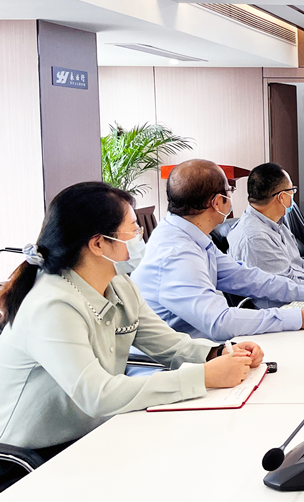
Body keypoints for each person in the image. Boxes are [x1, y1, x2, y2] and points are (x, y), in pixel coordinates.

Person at [0, 182, 259, 471]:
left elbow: (169, 345)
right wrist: (204, 376)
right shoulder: (52, 306)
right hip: (31, 457)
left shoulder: (119, 284)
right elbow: (98, 395)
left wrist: (221, 354)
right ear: (98, 243)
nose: (141, 237)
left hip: (94, 431)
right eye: (133, 230)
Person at [133, 159, 304, 342]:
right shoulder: (176, 253)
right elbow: (219, 322)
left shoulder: (192, 237)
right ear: (218, 202)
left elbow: (249, 278)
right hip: (176, 363)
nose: (231, 197)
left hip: (203, 348)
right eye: (229, 190)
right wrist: (300, 318)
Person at [227, 163, 304, 286]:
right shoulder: (256, 239)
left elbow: (298, 263)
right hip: (298, 295)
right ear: (282, 197)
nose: (293, 194)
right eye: (292, 190)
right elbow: (286, 288)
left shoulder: (275, 222)